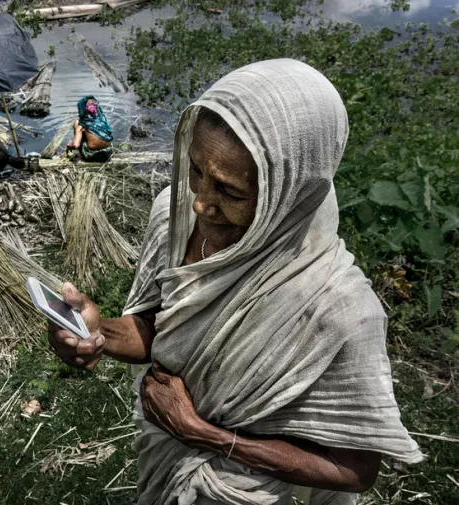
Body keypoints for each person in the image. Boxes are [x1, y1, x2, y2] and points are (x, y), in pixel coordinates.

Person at [48, 59, 422, 504]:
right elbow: (161, 325)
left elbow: (355, 470)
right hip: (166, 464)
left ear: (290, 191)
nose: (202, 203)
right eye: (195, 171)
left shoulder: (339, 308)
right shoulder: (175, 215)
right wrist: (101, 333)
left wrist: (203, 434)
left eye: (229, 191)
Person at [66, 95, 113, 162]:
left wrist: (69, 146)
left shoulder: (83, 123)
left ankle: (79, 142)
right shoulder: (103, 119)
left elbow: (76, 145)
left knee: (76, 123)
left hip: (92, 155)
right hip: (107, 153)